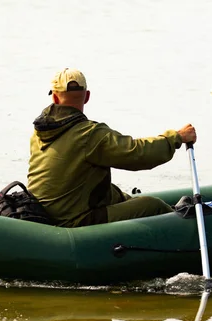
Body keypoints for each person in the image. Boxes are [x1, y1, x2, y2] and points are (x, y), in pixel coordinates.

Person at [27, 68, 197, 228]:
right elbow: (137, 153)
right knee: (153, 205)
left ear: (55, 98)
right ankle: (189, 231)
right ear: (87, 97)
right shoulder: (89, 134)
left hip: (46, 215)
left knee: (119, 195)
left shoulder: (38, 133)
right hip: (73, 221)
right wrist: (176, 137)